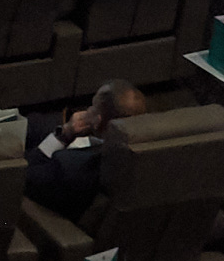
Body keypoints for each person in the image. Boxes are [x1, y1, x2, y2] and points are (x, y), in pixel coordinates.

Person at [26, 84, 146, 214]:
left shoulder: (69, 167)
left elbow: (23, 175)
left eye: (93, 106)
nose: (88, 109)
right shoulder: (148, 161)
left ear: (97, 121)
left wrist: (64, 134)